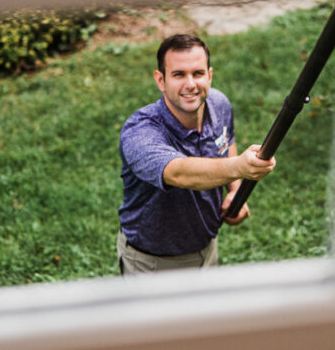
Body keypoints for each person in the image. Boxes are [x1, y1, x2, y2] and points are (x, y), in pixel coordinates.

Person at [117, 34, 276, 275]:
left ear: (210, 75)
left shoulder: (219, 104)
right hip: (152, 264)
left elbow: (226, 142)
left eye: (198, 73)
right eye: (178, 74)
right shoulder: (140, 132)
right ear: (160, 80)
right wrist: (240, 168)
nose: (190, 84)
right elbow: (179, 173)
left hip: (207, 249)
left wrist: (235, 191)